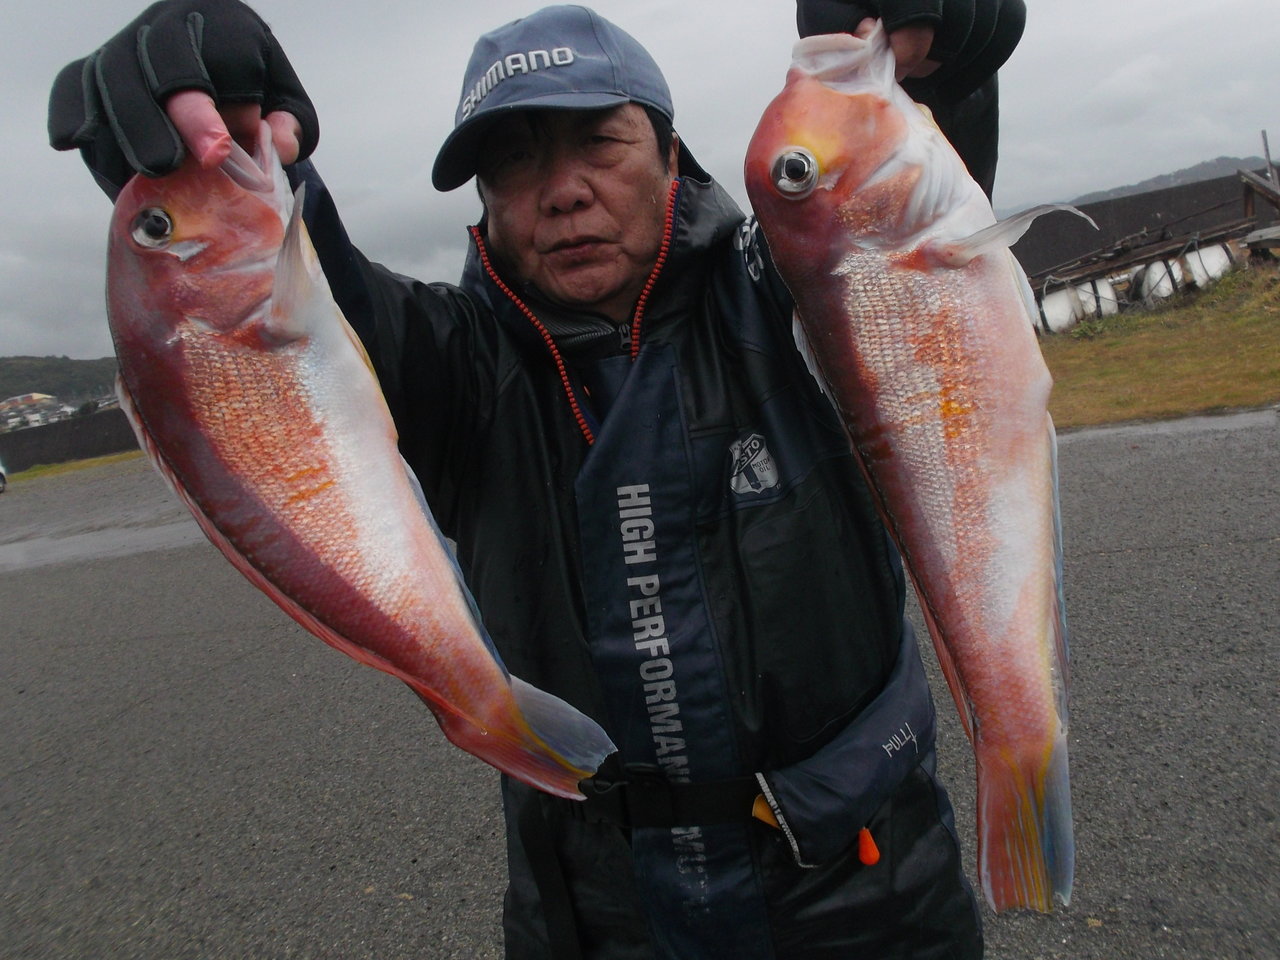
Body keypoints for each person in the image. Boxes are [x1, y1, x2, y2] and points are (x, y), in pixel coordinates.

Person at [49, 2, 1026, 957]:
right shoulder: (454, 367)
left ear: (669, 152)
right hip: (591, 912)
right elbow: (278, 293)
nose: (561, 191)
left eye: (598, 141)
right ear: (483, 197)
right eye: (514, 161)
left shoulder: (785, 293)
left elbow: (892, 221)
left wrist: (946, 65)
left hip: (868, 890)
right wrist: (211, 147)